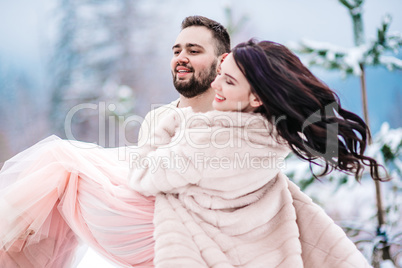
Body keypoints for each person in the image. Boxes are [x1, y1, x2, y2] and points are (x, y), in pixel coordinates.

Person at [0, 39, 383, 267]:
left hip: (177, 232)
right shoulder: (266, 134)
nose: (215, 84)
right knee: (62, 166)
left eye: (228, 80)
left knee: (60, 166)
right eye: (220, 72)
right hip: (206, 223)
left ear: (255, 97)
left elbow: (146, 174)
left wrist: (167, 121)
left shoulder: (217, 136)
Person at [137, 15, 230, 146]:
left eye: (193, 51)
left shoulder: (238, 124)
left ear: (222, 62)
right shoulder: (154, 120)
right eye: (176, 52)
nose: (180, 58)